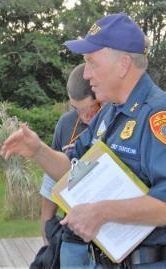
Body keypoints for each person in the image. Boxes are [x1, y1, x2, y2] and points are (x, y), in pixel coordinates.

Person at [1, 13, 166, 269]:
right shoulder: (109, 111)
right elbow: (76, 170)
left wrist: (103, 212)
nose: (86, 75)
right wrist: (39, 150)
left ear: (124, 64)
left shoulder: (159, 116)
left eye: (91, 63)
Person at [40, 63, 101, 244]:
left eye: (91, 107)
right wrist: (46, 235)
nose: (84, 116)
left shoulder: (114, 120)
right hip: (72, 238)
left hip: (107, 236)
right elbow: (52, 180)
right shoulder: (65, 123)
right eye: (77, 109)